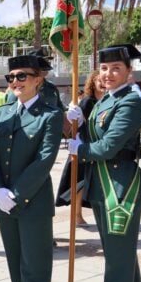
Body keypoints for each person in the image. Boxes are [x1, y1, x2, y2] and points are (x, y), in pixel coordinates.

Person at [66, 45, 141, 282]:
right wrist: (79, 118)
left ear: (129, 72)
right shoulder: (108, 99)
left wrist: (81, 148)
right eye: (104, 69)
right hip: (103, 185)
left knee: (117, 260)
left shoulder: (130, 101)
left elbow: (108, 147)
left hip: (119, 189)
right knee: (123, 255)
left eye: (116, 68)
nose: (108, 74)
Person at [0, 55, 63, 282]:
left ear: (38, 80)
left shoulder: (50, 115)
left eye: (22, 76)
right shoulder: (3, 112)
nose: (15, 82)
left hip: (31, 202)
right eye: (11, 78)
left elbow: (44, 161)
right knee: (16, 265)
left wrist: (15, 193)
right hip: (3, 201)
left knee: (35, 268)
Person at [56, 69, 106, 225]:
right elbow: (76, 125)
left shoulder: (108, 100)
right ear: (93, 83)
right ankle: (76, 214)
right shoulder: (86, 102)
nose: (103, 84)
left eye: (104, 81)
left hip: (99, 147)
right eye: (99, 81)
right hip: (83, 145)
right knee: (79, 183)